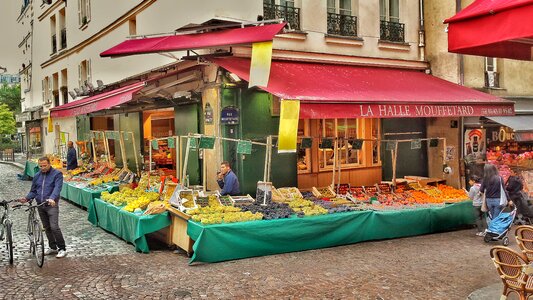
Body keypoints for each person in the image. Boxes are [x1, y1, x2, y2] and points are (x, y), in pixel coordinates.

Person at [21, 157, 67, 258]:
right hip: (40, 205)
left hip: (51, 205)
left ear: (49, 164)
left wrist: (52, 198)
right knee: (47, 228)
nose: (42, 168)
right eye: (40, 166)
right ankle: (53, 247)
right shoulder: (37, 176)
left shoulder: (57, 174)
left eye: (44, 165)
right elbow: (33, 190)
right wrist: (27, 198)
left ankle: (62, 248)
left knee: (54, 227)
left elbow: (57, 188)